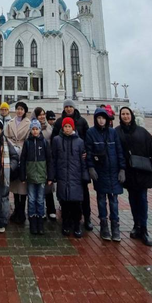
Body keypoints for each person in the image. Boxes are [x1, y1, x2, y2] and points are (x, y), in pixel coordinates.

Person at [116, 107, 152, 246]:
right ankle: (136, 225)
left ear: (132, 115)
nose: (125, 116)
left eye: (127, 114)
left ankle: (144, 228)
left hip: (142, 172)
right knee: (133, 200)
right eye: (123, 114)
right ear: (120, 116)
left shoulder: (142, 132)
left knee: (142, 199)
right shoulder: (117, 132)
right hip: (129, 172)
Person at [85, 108, 126, 242]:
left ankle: (115, 226)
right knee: (101, 199)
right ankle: (104, 225)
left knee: (114, 201)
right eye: (99, 118)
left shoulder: (113, 133)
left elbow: (119, 151)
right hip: (100, 172)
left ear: (107, 119)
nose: (101, 120)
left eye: (103, 118)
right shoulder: (91, 132)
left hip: (113, 171)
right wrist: (91, 167)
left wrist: (122, 169)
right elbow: (89, 152)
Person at [52, 99, 92, 231]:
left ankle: (86, 218)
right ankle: (67, 220)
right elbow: (54, 143)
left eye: (70, 106)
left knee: (82, 195)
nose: (68, 109)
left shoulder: (82, 121)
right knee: (65, 196)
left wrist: (86, 152)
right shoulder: (59, 122)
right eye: (66, 107)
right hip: (64, 166)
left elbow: (88, 139)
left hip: (77, 166)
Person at [19, 120, 53, 235]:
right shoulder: (27, 143)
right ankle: (32, 223)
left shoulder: (44, 142)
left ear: (39, 130)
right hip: (30, 176)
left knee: (40, 200)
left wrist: (50, 176)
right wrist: (23, 176)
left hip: (42, 176)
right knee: (32, 199)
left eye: (36, 129)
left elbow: (49, 160)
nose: (35, 131)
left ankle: (40, 222)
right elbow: (23, 159)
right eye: (33, 129)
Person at [5, 101, 30, 224]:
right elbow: (6, 137)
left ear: (25, 111)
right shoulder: (10, 122)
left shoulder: (28, 123)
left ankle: (21, 211)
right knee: (14, 184)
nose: (19, 111)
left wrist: (21, 147)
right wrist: (12, 146)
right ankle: (16, 209)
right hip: (12, 154)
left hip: (23, 154)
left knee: (22, 184)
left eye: (21, 109)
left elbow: (29, 139)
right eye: (18, 109)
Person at [32, 107, 56, 221]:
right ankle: (38, 210)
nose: (42, 116)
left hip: (47, 159)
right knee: (36, 186)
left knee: (48, 185)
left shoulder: (49, 127)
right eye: (39, 115)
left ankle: (51, 209)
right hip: (36, 161)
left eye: (43, 114)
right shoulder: (32, 127)